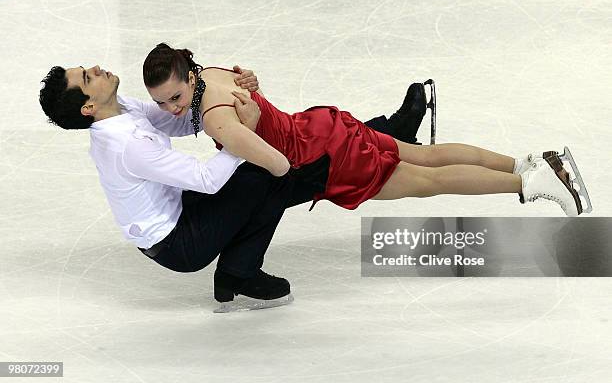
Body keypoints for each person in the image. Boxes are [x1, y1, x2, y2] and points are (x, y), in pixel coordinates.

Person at [38, 63, 430, 308]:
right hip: (178, 243)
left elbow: (183, 120)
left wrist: (232, 90)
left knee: (277, 170)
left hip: (181, 209)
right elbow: (207, 180)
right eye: (88, 78)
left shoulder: (121, 109)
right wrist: (245, 132)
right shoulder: (127, 145)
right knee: (270, 172)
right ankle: (239, 274)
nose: (96, 68)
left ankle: (377, 138)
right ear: (88, 107)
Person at [142, 43, 590, 217]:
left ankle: (530, 183)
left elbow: (276, 165)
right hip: (324, 126)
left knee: (430, 180)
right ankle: (529, 161)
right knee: (427, 156)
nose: (171, 109)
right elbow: (260, 108)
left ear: (189, 77)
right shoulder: (215, 73)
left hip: (327, 159)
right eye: (162, 102)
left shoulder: (215, 115)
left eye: (175, 98)